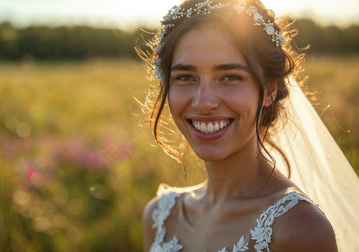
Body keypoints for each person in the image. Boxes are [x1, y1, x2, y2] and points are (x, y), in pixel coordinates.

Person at [137, 0, 359, 251]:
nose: (203, 102)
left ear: (269, 89)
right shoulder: (160, 217)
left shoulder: (298, 229)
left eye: (229, 77)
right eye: (185, 77)